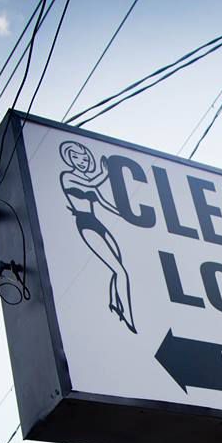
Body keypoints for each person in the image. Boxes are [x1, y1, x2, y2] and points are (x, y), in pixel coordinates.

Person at [58, 140, 137, 334]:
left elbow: (102, 201)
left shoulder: (86, 179)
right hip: (85, 224)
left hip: (98, 223)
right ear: (69, 160)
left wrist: (125, 215)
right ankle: (128, 319)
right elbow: (91, 183)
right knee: (120, 271)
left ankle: (114, 302)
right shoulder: (67, 177)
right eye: (75, 157)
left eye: (84, 156)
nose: (82, 160)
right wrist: (104, 172)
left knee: (119, 264)